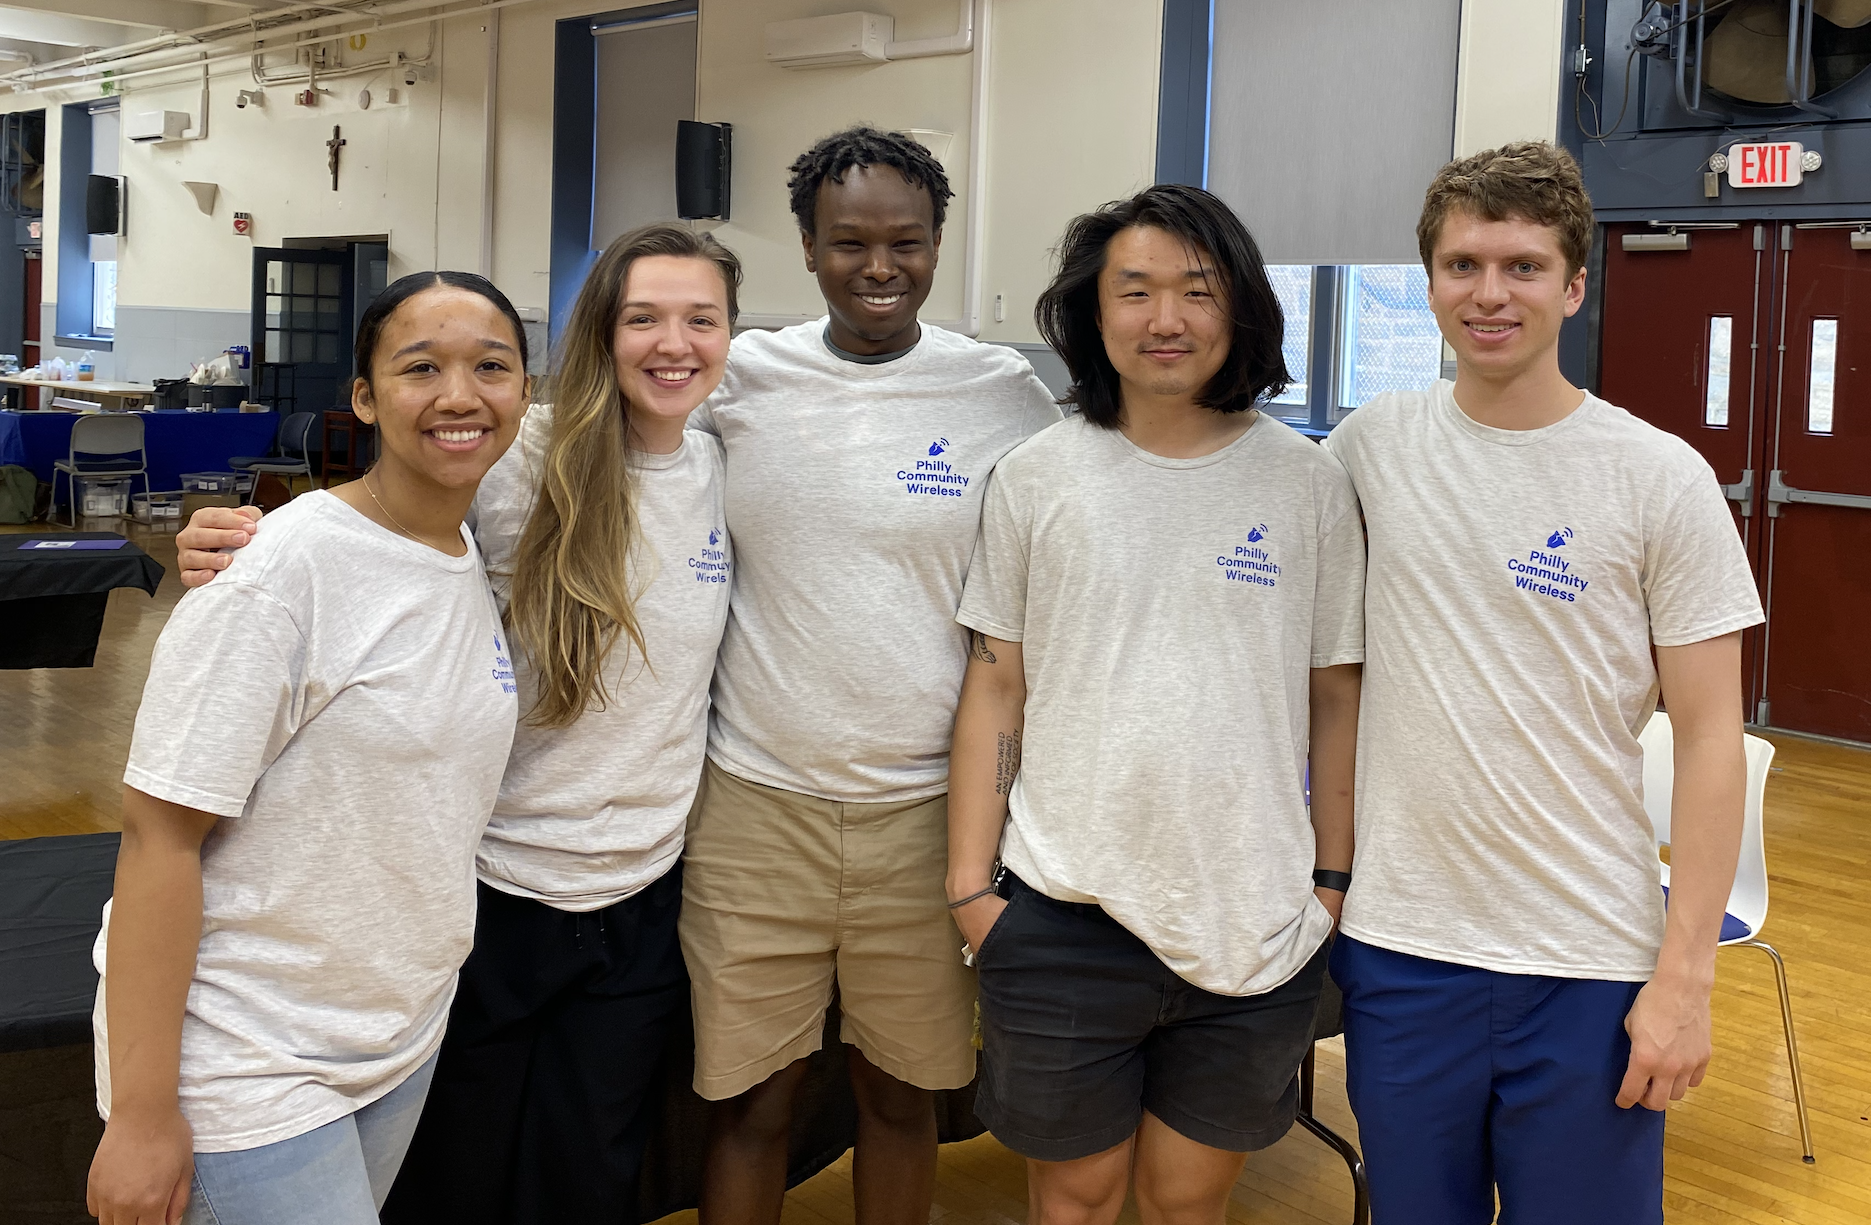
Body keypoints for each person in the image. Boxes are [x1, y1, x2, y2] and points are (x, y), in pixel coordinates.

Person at [173, 225, 742, 1225]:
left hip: (644, 903)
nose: (673, 343)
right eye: (642, 317)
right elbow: (385, 532)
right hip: (488, 894)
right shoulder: (519, 454)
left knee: (587, 1181)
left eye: (702, 319)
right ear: (597, 336)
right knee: (454, 1180)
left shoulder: (727, 460)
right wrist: (243, 543)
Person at [1321, 141, 1761, 1224]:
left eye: (1520, 266)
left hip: (1587, 957)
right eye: (1462, 264)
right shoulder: (1367, 449)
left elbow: (1708, 738)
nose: (1488, 293)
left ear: (1572, 285)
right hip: (1402, 947)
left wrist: (1684, 978)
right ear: (1426, 281)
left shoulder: (1655, 475)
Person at [945, 184, 1364, 1225]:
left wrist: (1329, 884)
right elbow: (996, 682)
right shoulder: (1037, 476)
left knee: (1188, 1201)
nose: (1164, 318)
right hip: (1060, 911)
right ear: (1095, 313)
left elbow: (1335, 698)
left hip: (1252, 913)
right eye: (1134, 291)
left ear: (1241, 312)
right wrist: (969, 889)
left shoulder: (1305, 484)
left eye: (1195, 290)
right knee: (1073, 1200)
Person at [85, 271, 530, 1225]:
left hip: (392, 1039)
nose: (460, 395)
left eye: (490, 366)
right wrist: (145, 1111)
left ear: (525, 392)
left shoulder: (468, 554)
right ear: (364, 397)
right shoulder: (280, 570)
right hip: (246, 1057)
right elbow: (157, 837)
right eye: (422, 367)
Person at [682, 126, 1061, 1224]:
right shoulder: (740, 374)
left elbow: (1089, 504)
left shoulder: (997, 391)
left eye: (906, 241)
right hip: (755, 807)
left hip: (927, 819)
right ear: (806, 248)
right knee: (750, 1106)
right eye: (850, 243)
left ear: (939, 244)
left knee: (899, 1101)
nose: (880, 266)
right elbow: (585, 458)